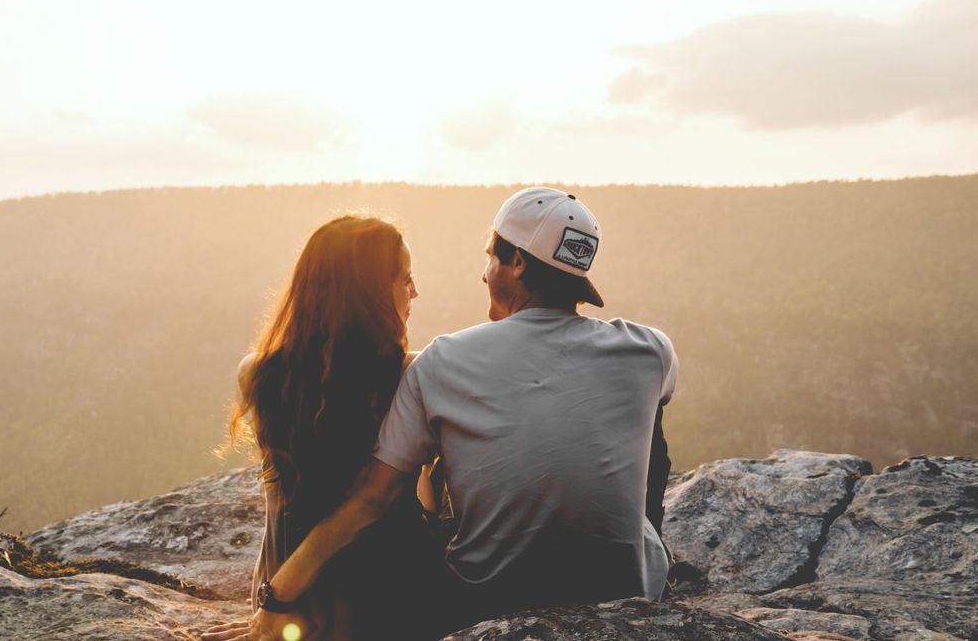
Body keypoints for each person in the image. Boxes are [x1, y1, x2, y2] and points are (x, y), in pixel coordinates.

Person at [210, 187, 678, 640]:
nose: (482, 273)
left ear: (516, 262)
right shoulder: (652, 351)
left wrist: (278, 596)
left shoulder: (439, 363)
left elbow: (369, 500)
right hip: (619, 594)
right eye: (405, 279)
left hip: (470, 598)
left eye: (491, 256)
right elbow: (650, 435)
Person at [205, 213, 439, 641]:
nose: (415, 291)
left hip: (285, 588)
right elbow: (376, 503)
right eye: (405, 279)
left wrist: (272, 598)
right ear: (368, 295)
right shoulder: (412, 374)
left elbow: (286, 501)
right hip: (390, 594)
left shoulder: (256, 373)